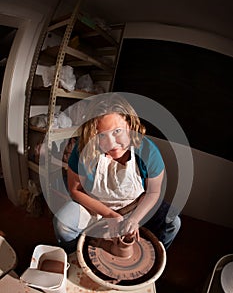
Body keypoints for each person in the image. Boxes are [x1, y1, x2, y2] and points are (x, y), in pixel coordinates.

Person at [53, 93, 181, 254]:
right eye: (102, 135)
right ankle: (74, 256)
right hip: (96, 207)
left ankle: (152, 256)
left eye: (117, 131)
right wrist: (109, 214)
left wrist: (134, 220)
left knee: (173, 222)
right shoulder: (84, 148)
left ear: (129, 124)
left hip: (133, 206)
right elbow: (75, 190)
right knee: (62, 224)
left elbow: (153, 191)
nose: (111, 143)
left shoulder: (148, 151)